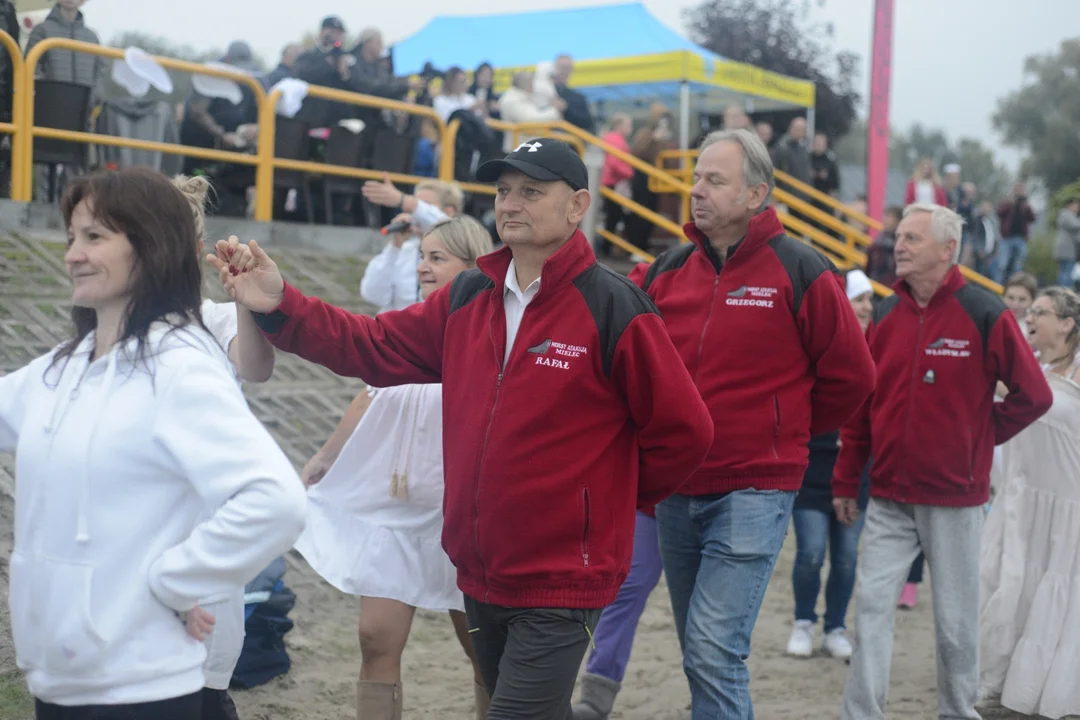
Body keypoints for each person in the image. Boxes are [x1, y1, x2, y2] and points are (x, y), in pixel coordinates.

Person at [213, 137, 714, 719]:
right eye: (503, 191)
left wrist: (598, 505)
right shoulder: (470, 294)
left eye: (531, 191)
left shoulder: (615, 306)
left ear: (578, 206)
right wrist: (280, 303)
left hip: (562, 578)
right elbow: (372, 346)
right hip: (478, 568)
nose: (511, 204)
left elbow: (685, 432)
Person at [0, 167, 306, 719]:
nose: (73, 254)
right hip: (61, 680)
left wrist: (168, 585)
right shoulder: (64, 366)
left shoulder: (181, 365)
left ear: (155, 249)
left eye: (95, 237)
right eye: (72, 237)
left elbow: (275, 501)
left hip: (143, 686)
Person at [635, 128, 876, 718]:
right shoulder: (668, 269)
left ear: (756, 194)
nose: (696, 190)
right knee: (698, 650)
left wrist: (784, 430)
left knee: (715, 650)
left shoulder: (802, 268)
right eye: (695, 177)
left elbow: (853, 376)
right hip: (677, 489)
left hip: (755, 488)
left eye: (714, 180)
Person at [832, 203, 1052, 720]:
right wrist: (846, 480)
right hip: (887, 494)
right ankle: (860, 713)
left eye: (911, 238)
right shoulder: (885, 313)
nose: (899, 245)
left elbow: (1034, 395)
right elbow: (865, 404)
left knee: (956, 622)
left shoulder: (984, 311)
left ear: (948, 249)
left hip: (955, 498)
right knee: (869, 609)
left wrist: (980, 437)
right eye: (899, 235)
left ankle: (958, 711)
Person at [293, 217, 493, 720]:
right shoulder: (406, 321)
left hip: (459, 511)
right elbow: (370, 393)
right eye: (421, 256)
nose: (423, 267)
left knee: (482, 647)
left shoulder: (491, 331)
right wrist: (326, 456)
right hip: (392, 504)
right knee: (374, 637)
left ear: (473, 269)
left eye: (437, 258)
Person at [979, 287, 1080, 719]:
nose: (1030, 317)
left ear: (1067, 323)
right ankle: (996, 682)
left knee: (1053, 596)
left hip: (1067, 507)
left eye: (1041, 311)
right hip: (1021, 499)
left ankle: (1042, 690)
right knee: (1005, 589)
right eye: (1030, 310)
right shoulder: (1028, 366)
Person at [785, 268, 875, 661]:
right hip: (813, 469)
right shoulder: (820, 346)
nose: (867, 307)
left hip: (855, 473)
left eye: (870, 300)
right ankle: (804, 621)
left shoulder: (878, 347)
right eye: (859, 299)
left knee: (846, 557)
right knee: (810, 553)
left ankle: (835, 627)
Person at [358, 178, 464, 313]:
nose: (415, 213)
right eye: (414, 206)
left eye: (424, 206)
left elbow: (446, 225)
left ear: (448, 212)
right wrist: (395, 247)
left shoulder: (459, 247)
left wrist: (404, 201)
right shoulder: (404, 250)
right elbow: (371, 294)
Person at [598, 113, 634, 252]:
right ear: (619, 125)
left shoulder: (613, 138)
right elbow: (614, 162)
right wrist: (630, 173)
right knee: (615, 215)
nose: (630, 128)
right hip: (613, 182)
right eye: (627, 125)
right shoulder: (615, 139)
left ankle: (608, 246)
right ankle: (607, 247)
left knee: (614, 215)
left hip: (611, 181)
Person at [994, 182, 1037, 285]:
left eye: (1022, 189)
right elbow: (999, 213)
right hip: (1006, 238)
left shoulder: (1025, 203)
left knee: (1017, 267)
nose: (1020, 191)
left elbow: (1032, 218)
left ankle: (1014, 287)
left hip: (1021, 238)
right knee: (1002, 265)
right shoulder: (1006, 201)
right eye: (1018, 188)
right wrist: (1010, 202)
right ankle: (996, 287)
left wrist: (1027, 206)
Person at [552, 54, 594, 133]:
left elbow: (587, 122)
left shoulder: (578, 97)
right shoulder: (543, 92)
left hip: (570, 142)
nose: (563, 71)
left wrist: (566, 109)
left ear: (571, 70)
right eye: (561, 67)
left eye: (567, 68)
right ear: (554, 68)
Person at [866, 206, 901, 286]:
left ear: (898, 221)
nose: (885, 219)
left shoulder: (900, 243)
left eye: (889, 216)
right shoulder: (879, 240)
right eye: (885, 215)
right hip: (875, 282)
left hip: (890, 285)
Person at [1053, 198, 1080, 288]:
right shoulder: (1065, 214)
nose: (1077, 207)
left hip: (1069, 250)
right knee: (1066, 272)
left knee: (1067, 272)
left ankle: (1064, 291)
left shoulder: (1070, 216)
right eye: (1075, 205)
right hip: (1066, 249)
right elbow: (1075, 225)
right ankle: (1064, 292)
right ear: (1069, 205)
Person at [1003, 271, 1038, 337]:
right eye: (1010, 298)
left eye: (1022, 299)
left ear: (1033, 302)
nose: (1015, 305)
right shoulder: (993, 322)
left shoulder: (1034, 333)